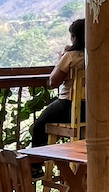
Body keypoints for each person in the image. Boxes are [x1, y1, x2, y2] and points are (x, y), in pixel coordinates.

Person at [30, 18, 86, 151]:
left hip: (68, 107)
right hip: (92, 110)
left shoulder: (70, 57)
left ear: (74, 37)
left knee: (39, 126)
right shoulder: (98, 56)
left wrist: (61, 59)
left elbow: (53, 82)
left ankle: (36, 167)